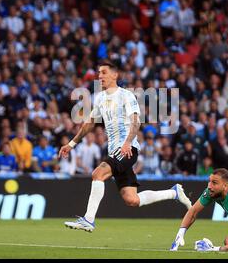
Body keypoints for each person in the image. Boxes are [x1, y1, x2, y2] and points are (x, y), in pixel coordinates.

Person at [59, 61, 192, 232]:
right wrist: (71, 144)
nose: (100, 76)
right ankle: (173, 193)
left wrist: (128, 142)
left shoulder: (126, 96)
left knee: (98, 174)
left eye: (104, 73)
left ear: (115, 75)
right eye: (99, 73)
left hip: (127, 149)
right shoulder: (100, 98)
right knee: (132, 200)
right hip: (116, 151)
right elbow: (89, 123)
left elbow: (136, 121)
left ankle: (88, 219)